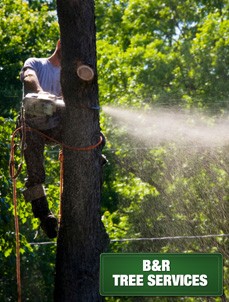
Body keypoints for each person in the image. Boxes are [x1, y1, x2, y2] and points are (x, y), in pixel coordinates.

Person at [20, 40, 63, 238]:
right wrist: (40, 93)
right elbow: (28, 76)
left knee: (93, 136)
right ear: (60, 43)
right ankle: (44, 216)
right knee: (36, 174)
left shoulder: (68, 74)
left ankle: (93, 157)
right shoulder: (36, 63)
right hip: (32, 127)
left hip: (55, 126)